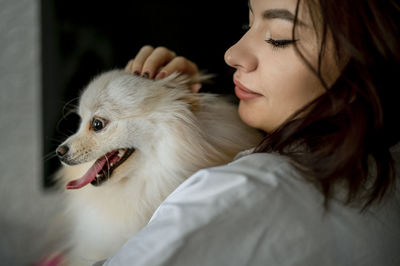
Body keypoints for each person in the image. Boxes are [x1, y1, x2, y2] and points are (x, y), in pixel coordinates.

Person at [98, 0, 400, 265]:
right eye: (249, 22)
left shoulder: (244, 191)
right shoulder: (386, 165)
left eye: (279, 38)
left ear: (365, 61)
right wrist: (195, 119)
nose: (232, 53)